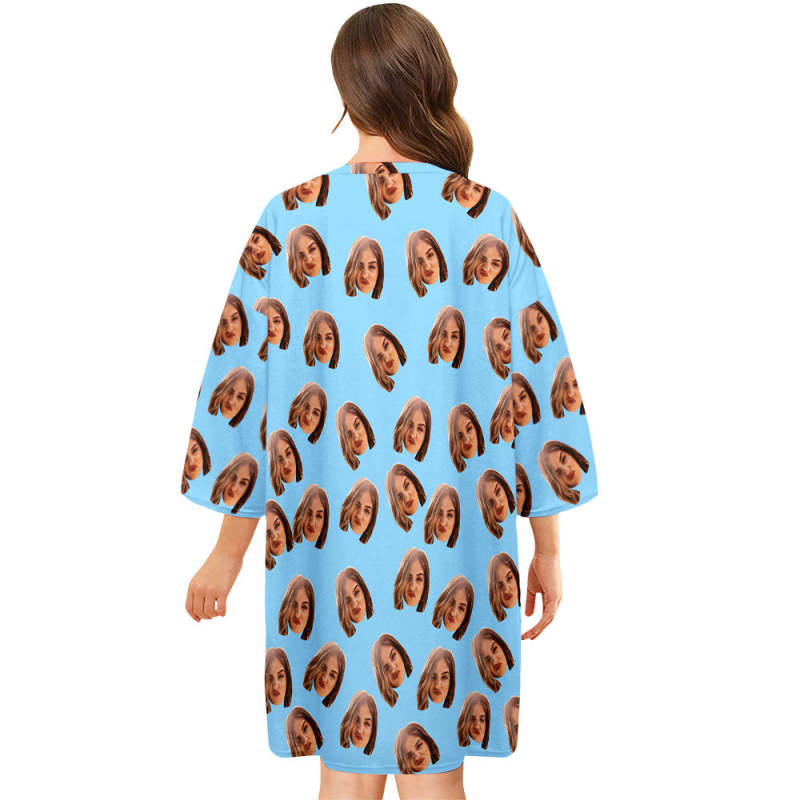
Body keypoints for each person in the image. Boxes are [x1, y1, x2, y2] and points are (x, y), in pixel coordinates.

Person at [179, 4, 598, 799]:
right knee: (434, 766)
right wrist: (547, 546)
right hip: (457, 546)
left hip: (325, 543)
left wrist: (227, 553)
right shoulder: (486, 216)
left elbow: (246, 400)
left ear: (348, 93)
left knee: (346, 759)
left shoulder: (289, 219)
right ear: (432, 82)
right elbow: (543, 393)